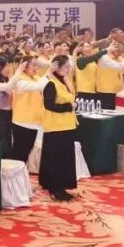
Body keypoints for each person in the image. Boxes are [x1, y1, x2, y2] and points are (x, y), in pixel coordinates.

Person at [40, 55, 79, 201]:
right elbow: (49, 105)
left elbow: (71, 98)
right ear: (57, 67)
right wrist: (69, 107)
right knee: (57, 158)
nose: (69, 69)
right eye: (66, 67)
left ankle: (61, 185)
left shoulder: (65, 80)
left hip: (67, 124)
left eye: (69, 66)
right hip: (56, 126)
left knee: (64, 157)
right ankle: (56, 188)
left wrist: (74, 105)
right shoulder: (50, 83)